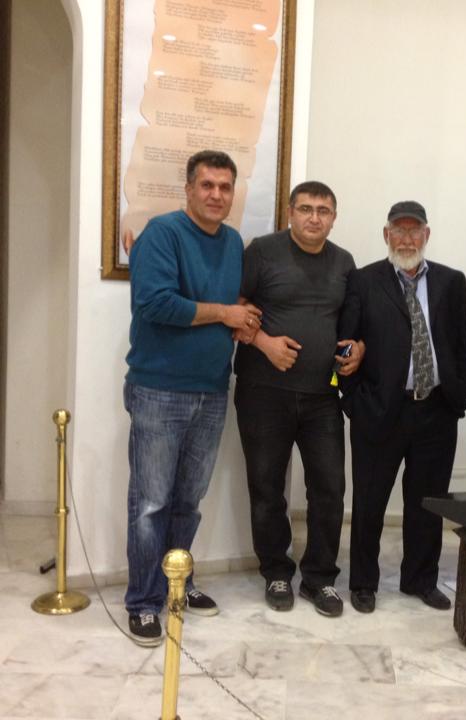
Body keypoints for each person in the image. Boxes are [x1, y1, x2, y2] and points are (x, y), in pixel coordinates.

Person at [124, 150, 262, 646]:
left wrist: (243, 313)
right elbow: (155, 303)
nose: (217, 195)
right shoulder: (163, 234)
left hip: (211, 390)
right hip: (159, 390)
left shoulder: (233, 243)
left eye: (225, 187)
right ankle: (143, 601)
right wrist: (226, 313)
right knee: (151, 503)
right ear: (188, 189)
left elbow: (231, 302)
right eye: (207, 185)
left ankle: (176, 584)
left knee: (188, 501)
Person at [233, 181, 362, 617]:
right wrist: (265, 343)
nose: (314, 217)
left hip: (323, 397)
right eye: (306, 208)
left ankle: (320, 578)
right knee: (267, 486)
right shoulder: (263, 252)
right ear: (290, 212)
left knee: (330, 488)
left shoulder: (344, 262)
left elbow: (350, 324)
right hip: (263, 392)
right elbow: (235, 308)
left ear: (334, 218)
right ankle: (275, 571)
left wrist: (357, 350)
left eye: (323, 210)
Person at [339, 201, 466, 613]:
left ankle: (420, 580)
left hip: (436, 409)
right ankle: (364, 583)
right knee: (369, 502)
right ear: (386, 235)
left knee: (427, 504)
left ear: (427, 235)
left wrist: (458, 392)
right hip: (381, 409)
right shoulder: (364, 281)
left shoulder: (451, 282)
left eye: (415, 231)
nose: (407, 239)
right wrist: (354, 401)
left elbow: (460, 344)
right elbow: (346, 343)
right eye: (399, 230)